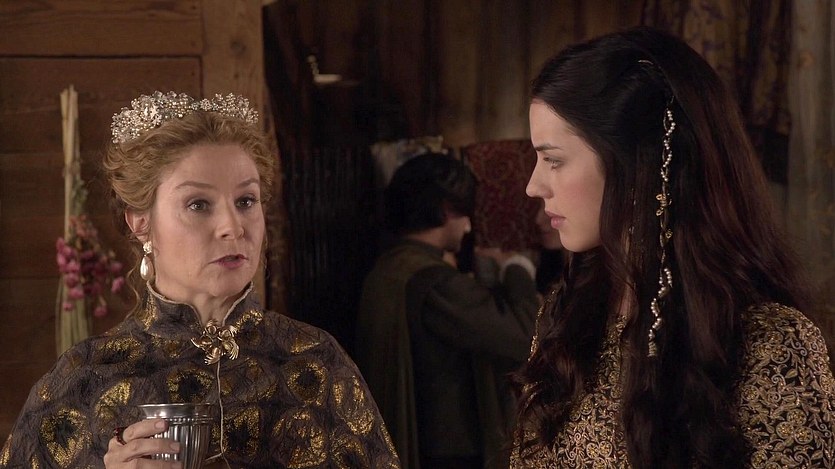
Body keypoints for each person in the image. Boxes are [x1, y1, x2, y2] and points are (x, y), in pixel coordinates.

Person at [1, 91, 400, 468]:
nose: (233, 226)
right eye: (198, 204)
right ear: (141, 223)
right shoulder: (85, 377)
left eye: (246, 201)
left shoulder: (317, 362)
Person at [511, 26, 835, 468]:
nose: (533, 186)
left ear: (636, 164)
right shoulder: (567, 317)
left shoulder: (769, 344)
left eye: (553, 160)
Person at [355, 153, 540, 469]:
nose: (468, 226)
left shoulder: (389, 267)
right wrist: (517, 267)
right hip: (447, 452)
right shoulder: (434, 281)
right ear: (445, 211)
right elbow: (524, 335)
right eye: (464, 213)